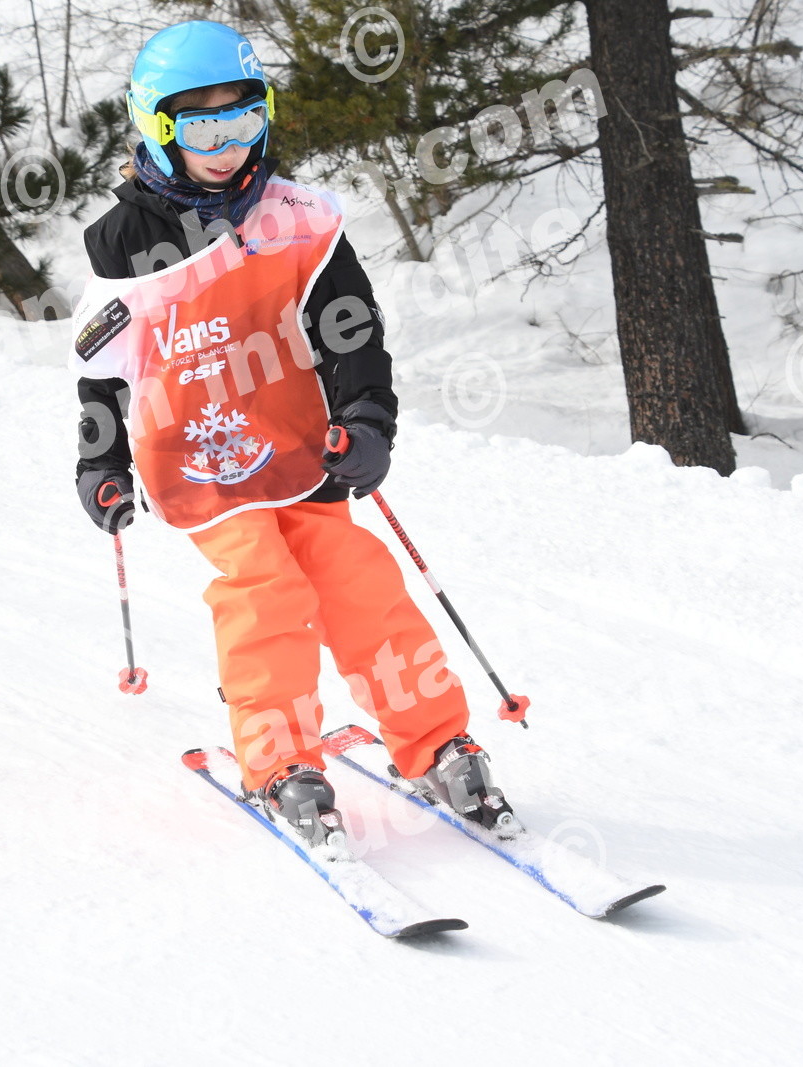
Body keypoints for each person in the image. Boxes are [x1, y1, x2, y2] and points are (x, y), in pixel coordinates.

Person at [69, 20, 512, 847]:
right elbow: (103, 370)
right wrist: (102, 461)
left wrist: (366, 418)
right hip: (196, 458)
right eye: (203, 127)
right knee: (266, 589)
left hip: (298, 446)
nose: (229, 146)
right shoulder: (120, 243)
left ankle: (436, 739)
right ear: (157, 126)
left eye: (245, 119)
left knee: (357, 580)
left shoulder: (299, 219)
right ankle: (279, 761)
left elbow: (351, 329)